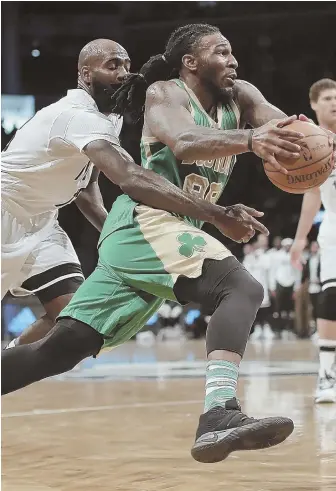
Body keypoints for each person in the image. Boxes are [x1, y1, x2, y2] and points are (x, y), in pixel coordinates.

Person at [2, 23, 307, 463]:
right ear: (191, 62)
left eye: (232, 52)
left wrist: (311, 139)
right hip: (145, 221)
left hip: (128, 230)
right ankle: (219, 413)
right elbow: (179, 146)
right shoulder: (165, 93)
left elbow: (277, 123)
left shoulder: (239, 95)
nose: (232, 60)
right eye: (220, 52)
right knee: (241, 288)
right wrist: (243, 156)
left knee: (61, 348)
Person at [2, 38, 263, 348]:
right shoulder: (75, 115)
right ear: (86, 74)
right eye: (113, 66)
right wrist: (217, 215)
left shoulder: (110, 118)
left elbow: (86, 189)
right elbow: (130, 176)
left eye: (127, 65)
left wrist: (114, 233)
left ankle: (10, 364)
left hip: (43, 221)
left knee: (71, 318)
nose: (125, 73)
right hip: (5, 211)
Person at [291, 78, 336, 403]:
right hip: (334, 227)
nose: (334, 102)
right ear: (314, 104)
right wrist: (299, 239)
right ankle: (326, 375)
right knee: (330, 299)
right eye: (328, 98)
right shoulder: (313, 143)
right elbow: (312, 195)